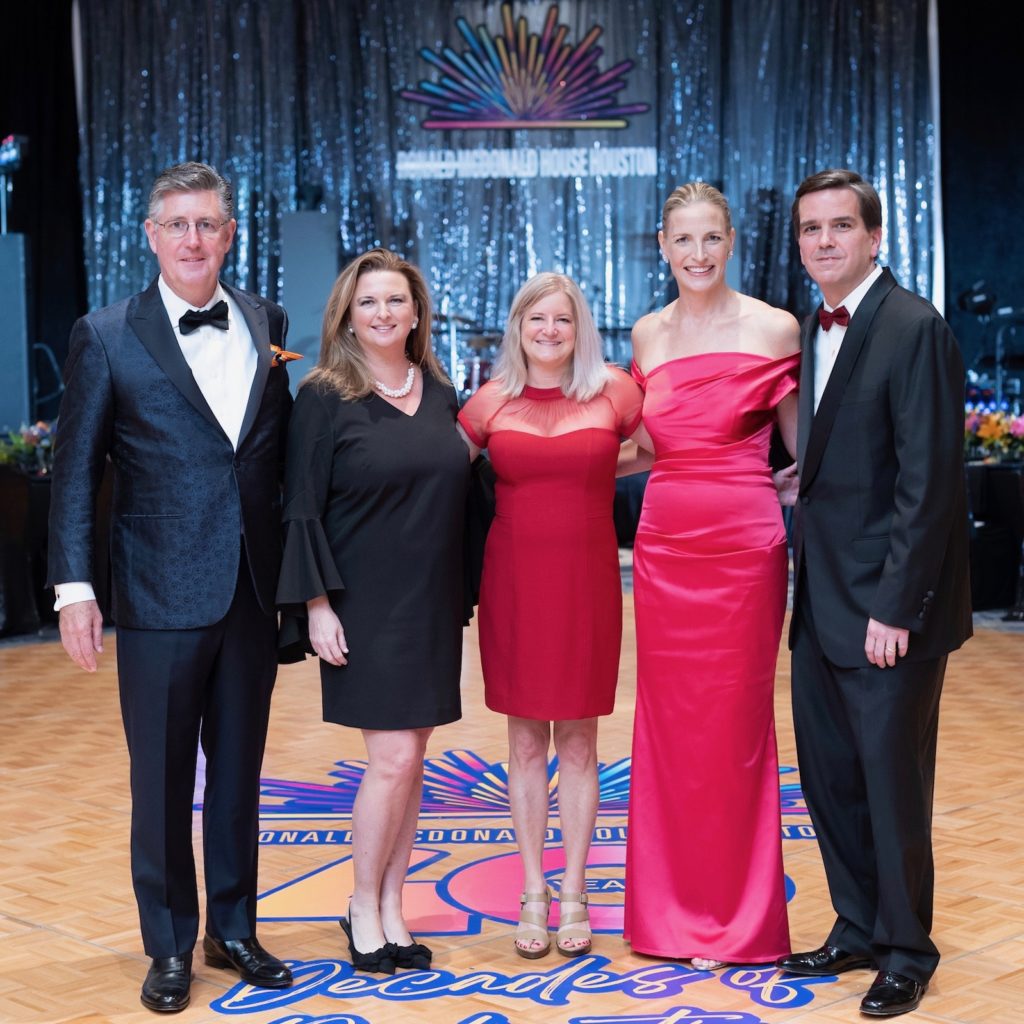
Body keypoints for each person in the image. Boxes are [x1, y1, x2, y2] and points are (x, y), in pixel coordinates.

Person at [46, 162, 294, 1013]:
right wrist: (74, 587)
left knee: (239, 775)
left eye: (208, 225)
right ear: (151, 235)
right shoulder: (106, 333)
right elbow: (74, 470)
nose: (193, 239)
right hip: (155, 593)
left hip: (251, 592)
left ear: (229, 236)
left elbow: (275, 455)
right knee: (159, 782)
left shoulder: (268, 320)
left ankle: (234, 928)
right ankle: (168, 944)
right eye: (177, 224)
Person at [775, 169, 972, 1017]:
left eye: (840, 226)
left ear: (874, 236)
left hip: (887, 611)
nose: (824, 241)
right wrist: (801, 483)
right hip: (820, 602)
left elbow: (930, 485)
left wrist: (896, 607)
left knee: (892, 785)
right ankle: (857, 923)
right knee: (832, 780)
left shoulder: (912, 326)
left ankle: (906, 949)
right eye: (811, 229)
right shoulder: (812, 333)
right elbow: (850, 457)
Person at [276, 248, 469, 975]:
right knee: (390, 760)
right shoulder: (324, 395)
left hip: (431, 601)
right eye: (369, 302)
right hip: (362, 602)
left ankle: (393, 906)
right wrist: (317, 604)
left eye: (396, 300)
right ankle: (361, 903)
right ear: (347, 315)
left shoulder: (441, 390)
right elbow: (299, 506)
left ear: (417, 312)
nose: (384, 313)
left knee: (413, 761)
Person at [623, 182, 800, 971]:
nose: (697, 255)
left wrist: (789, 484)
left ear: (733, 243)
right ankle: (670, 918)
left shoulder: (774, 327)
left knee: (735, 731)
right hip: (666, 544)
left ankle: (735, 920)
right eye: (682, 241)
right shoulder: (647, 334)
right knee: (669, 728)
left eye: (711, 240)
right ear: (661, 246)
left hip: (744, 546)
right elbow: (648, 447)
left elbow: (810, 451)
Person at [457, 273, 644, 960]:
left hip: (586, 582)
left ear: (580, 327)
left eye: (562, 319)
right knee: (526, 744)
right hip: (513, 581)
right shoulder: (489, 402)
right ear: (517, 326)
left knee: (581, 744)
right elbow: (440, 472)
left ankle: (574, 892)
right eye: (536, 318)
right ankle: (532, 890)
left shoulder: (616, 391)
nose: (549, 330)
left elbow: (656, 449)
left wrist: (593, 469)